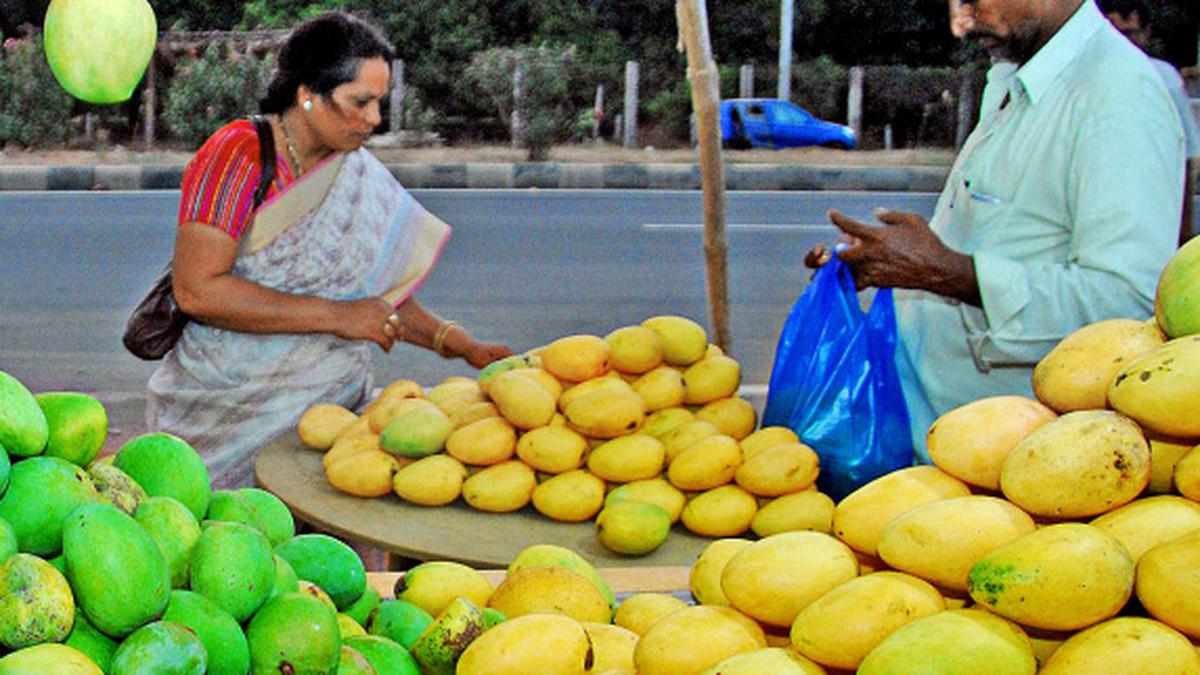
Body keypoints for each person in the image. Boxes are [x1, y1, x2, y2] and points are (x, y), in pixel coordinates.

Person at [805, 0, 1185, 462]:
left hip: (1007, 462)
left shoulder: (1117, 96)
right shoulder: (1019, 76)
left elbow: (1125, 302)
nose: (963, 21)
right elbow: (999, 242)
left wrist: (948, 273)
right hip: (930, 431)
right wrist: (886, 262)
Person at [147, 12, 512, 488]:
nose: (375, 120)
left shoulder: (354, 171)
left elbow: (379, 291)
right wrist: (339, 316)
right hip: (227, 413)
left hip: (334, 418)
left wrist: (457, 344)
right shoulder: (238, 155)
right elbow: (198, 292)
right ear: (308, 95)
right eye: (359, 102)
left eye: (379, 102)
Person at [1097, 0, 1199, 243]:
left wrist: (1183, 231)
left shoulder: (1164, 78)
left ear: (1146, 32)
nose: (1125, 44)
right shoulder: (1082, 80)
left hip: (1153, 206)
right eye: (1116, 34)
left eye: (1131, 34)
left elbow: (1184, 157)